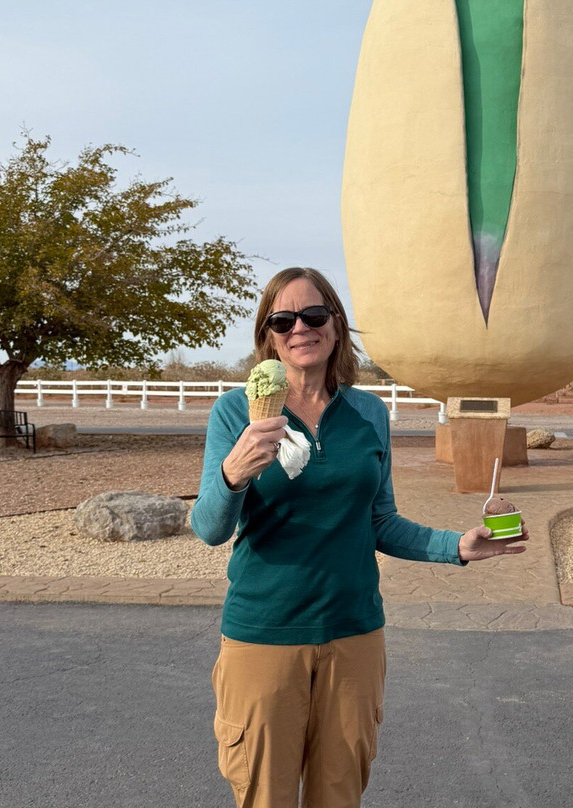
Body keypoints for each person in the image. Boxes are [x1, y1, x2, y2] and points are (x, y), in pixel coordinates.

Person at [190, 266, 528, 808]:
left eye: (314, 314)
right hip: (264, 636)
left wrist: (457, 547)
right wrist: (233, 473)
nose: (300, 327)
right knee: (264, 797)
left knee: (341, 794)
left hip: (354, 636)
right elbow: (209, 528)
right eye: (283, 319)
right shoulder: (235, 413)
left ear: (336, 324)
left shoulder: (369, 412)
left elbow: (379, 520)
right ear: (268, 334)